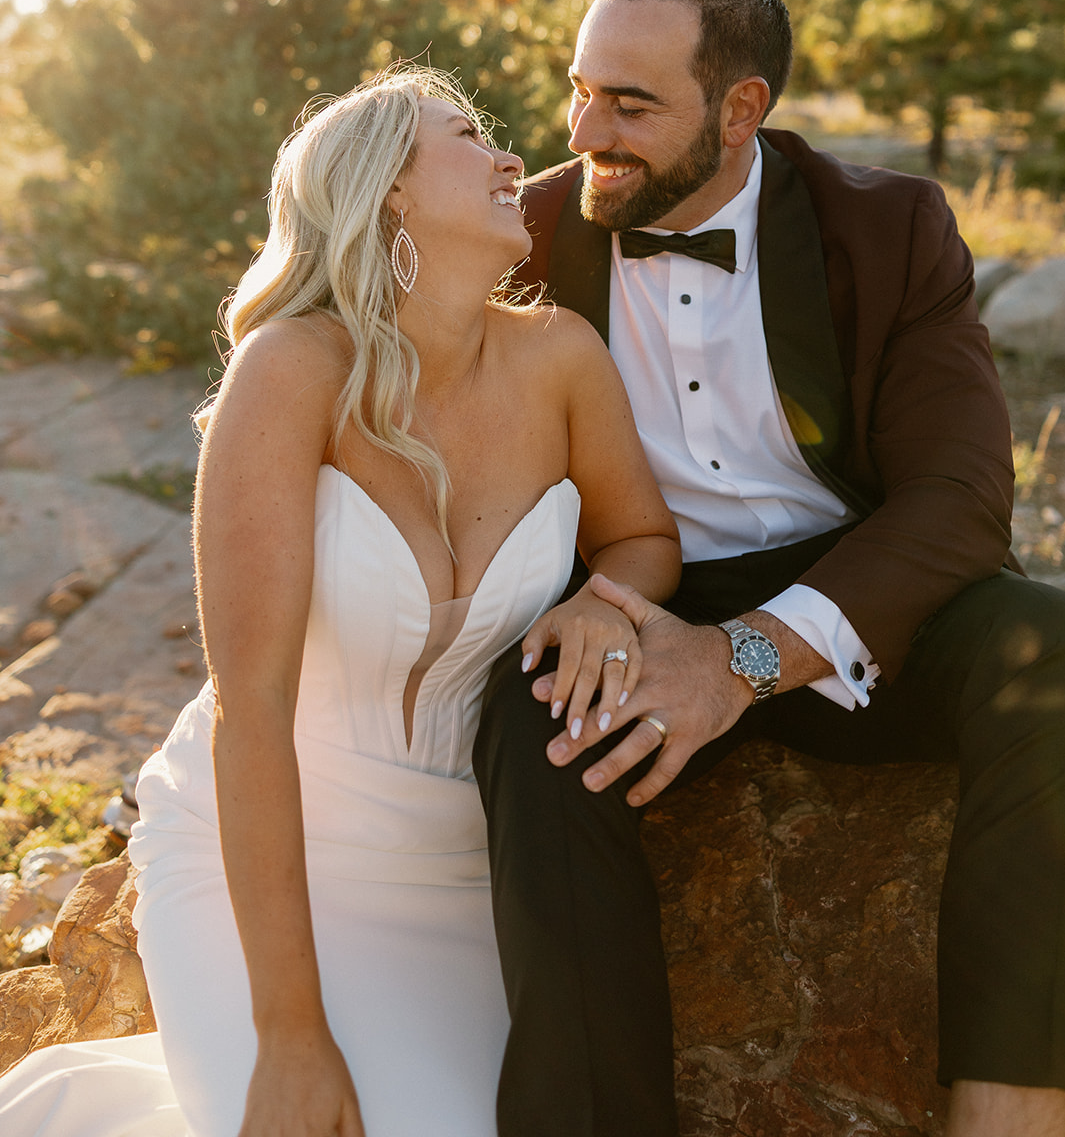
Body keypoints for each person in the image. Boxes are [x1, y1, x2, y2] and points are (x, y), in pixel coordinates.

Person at [0, 67, 682, 1137]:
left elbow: (643, 539)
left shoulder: (561, 357)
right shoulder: (291, 369)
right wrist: (290, 1036)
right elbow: (250, 707)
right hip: (272, 856)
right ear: (389, 195)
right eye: (467, 136)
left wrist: (605, 602)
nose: (513, 158)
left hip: (458, 865)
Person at [473, 0, 1065, 1137]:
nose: (584, 131)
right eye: (579, 89)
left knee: (1050, 648)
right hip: (637, 596)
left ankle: (1008, 1107)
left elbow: (957, 500)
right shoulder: (525, 235)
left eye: (629, 104)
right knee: (526, 712)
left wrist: (742, 659)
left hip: (857, 600)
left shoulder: (885, 227)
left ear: (740, 107)